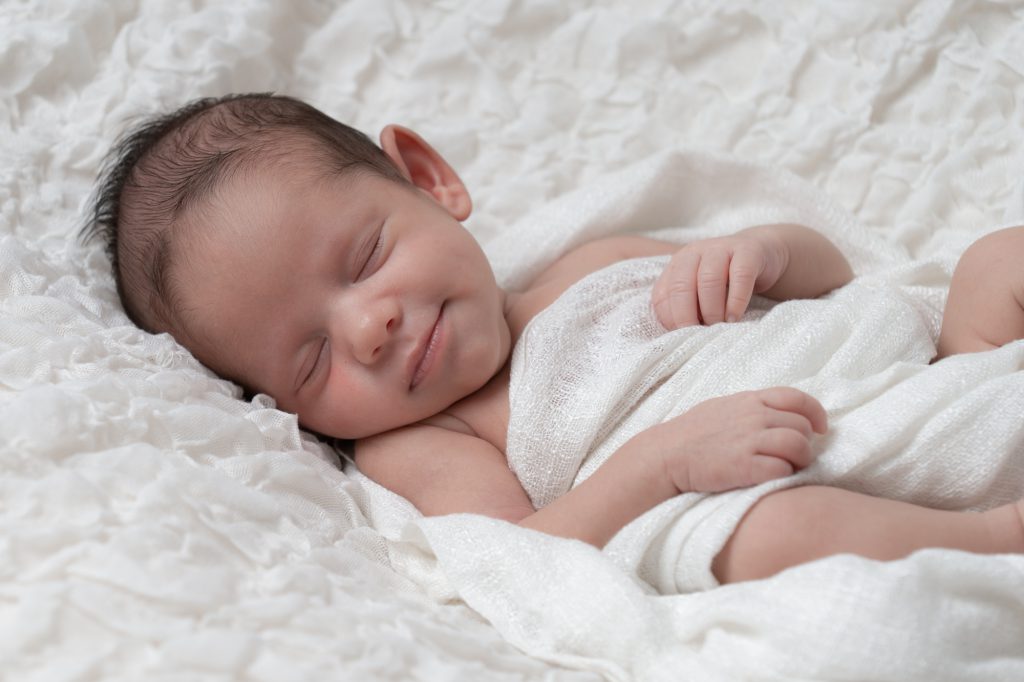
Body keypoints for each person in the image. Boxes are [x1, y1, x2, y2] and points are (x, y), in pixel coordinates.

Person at [84, 93, 1024, 585]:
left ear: (429, 180)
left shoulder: (594, 265)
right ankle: (989, 543)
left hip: (934, 375)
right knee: (770, 538)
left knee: (997, 261)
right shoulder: (424, 442)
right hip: (805, 481)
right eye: (312, 357)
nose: (368, 328)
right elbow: (528, 551)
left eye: (367, 256)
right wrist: (662, 467)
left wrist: (761, 251)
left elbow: (837, 276)